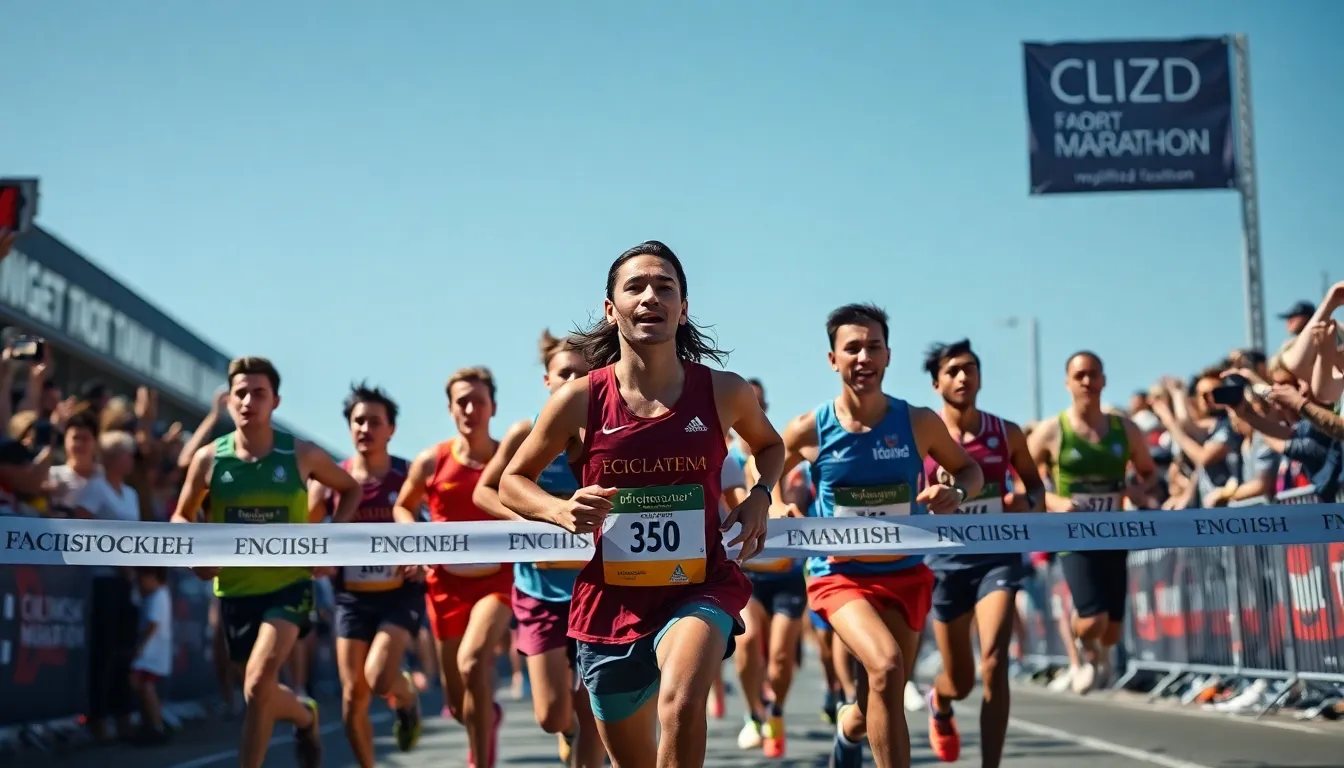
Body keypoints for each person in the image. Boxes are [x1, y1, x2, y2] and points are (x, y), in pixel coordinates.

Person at [498, 240, 784, 768]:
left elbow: (770, 446)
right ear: (612, 309)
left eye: (665, 286)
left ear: (684, 306)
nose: (650, 296)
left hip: (699, 585)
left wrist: (761, 495)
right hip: (613, 600)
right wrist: (559, 510)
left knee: (679, 702)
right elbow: (513, 481)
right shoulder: (580, 398)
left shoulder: (724, 392)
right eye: (635, 286)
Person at [774, 303, 983, 768]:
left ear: (888, 355)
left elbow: (968, 469)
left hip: (906, 574)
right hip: (838, 575)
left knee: (879, 692)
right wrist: (774, 505)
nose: (863, 357)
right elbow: (763, 468)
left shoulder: (918, 422)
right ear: (833, 359)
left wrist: (957, 493)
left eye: (873, 347)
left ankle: (849, 734)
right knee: (887, 668)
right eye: (852, 348)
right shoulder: (810, 428)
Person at [172, 356, 363, 768]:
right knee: (256, 692)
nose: (248, 401)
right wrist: (194, 557)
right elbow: (181, 515)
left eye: (258, 393)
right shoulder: (209, 459)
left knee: (259, 682)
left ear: (275, 401)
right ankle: (304, 714)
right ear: (229, 402)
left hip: (289, 585)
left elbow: (349, 490)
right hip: (235, 591)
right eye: (240, 393)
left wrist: (331, 538)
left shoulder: (300, 454)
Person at [473, 330, 606, 768]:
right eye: (563, 373)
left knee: (593, 709)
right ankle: (565, 731)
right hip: (540, 590)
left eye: (582, 374)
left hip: (601, 588)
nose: (572, 381)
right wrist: (533, 519)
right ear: (547, 381)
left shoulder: (611, 432)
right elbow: (486, 491)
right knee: (551, 716)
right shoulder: (525, 431)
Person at [920, 339, 1045, 766]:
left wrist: (1027, 503)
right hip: (945, 563)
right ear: (936, 384)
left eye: (969, 368)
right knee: (961, 680)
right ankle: (941, 699)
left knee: (994, 662)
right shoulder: (922, 437)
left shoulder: (1006, 432)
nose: (962, 377)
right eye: (952, 371)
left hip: (997, 557)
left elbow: (1033, 484)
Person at [393, 366, 507, 768]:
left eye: (479, 400)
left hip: (499, 584)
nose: (470, 409)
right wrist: (415, 546)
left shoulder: (507, 458)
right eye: (462, 401)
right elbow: (403, 506)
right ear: (450, 409)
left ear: (493, 406)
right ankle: (484, 718)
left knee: (474, 659)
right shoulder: (431, 460)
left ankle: (481, 760)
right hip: (445, 587)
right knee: (459, 706)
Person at [1027, 351, 1157, 695]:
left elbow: (1148, 472)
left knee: (1113, 629)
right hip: (1073, 536)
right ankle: (1083, 652)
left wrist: (1136, 489)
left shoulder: (1124, 429)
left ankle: (1100, 653)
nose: (1087, 381)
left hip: (1114, 533)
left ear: (1104, 380)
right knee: (1092, 619)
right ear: (1067, 383)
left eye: (1093, 374)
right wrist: (1054, 502)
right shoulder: (1052, 430)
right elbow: (1023, 476)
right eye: (1080, 375)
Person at [310, 383, 424, 768]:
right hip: (351, 598)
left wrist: (422, 559)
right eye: (358, 421)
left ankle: (406, 697)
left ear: (390, 429)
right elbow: (309, 538)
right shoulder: (331, 480)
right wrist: (317, 559)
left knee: (377, 679)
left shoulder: (407, 476)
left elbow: (436, 533)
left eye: (374, 422)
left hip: (398, 595)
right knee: (352, 696)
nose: (365, 429)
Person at [731, 377, 806, 759]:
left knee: (780, 657)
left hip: (788, 574)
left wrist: (788, 511)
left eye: (760, 407)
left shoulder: (782, 459)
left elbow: (782, 499)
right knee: (746, 645)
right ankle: (753, 713)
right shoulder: (726, 461)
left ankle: (775, 710)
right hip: (748, 575)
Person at [130, 566, 173, 746]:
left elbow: (152, 624)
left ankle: (156, 725)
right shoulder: (151, 596)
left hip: (152, 653)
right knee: (141, 686)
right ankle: (150, 723)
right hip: (149, 652)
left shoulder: (159, 596)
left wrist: (141, 646)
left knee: (147, 687)